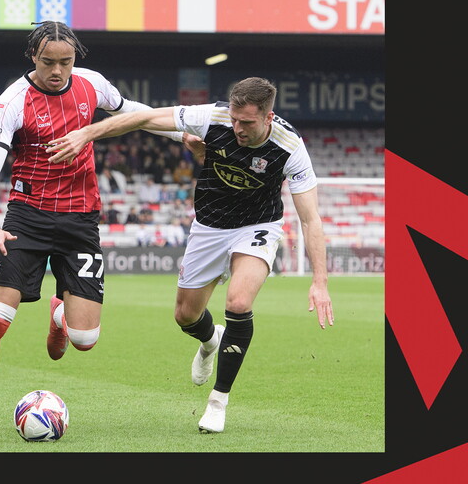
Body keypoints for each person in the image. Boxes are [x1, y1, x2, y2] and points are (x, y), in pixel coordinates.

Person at [0, 20, 201, 436]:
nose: (57, 70)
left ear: (76, 58)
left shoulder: (92, 84)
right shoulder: (11, 102)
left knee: (85, 340)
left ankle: (60, 317)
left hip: (80, 221)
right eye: (48, 62)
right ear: (33, 58)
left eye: (66, 61)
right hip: (26, 218)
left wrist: (180, 134)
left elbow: (132, 114)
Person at [46, 76, 334, 434]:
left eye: (247, 122)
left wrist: (319, 281)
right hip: (209, 226)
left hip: (258, 226)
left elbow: (311, 218)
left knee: (239, 302)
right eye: (234, 119)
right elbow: (145, 118)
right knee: (185, 315)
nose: (238, 128)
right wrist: (87, 134)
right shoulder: (211, 117)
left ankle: (218, 402)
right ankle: (211, 340)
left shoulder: (289, 146)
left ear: (268, 118)